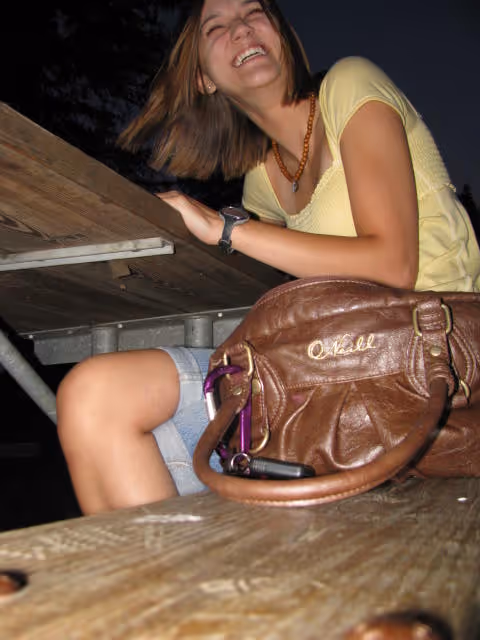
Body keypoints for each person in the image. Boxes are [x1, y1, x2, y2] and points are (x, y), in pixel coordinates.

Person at [57, 0, 480, 514]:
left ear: (282, 35)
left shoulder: (350, 85)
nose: (240, 28)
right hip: (327, 369)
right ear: (203, 79)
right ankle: (177, 569)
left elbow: (393, 266)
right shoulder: (262, 173)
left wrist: (225, 228)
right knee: (94, 395)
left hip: (431, 364)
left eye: (253, 11)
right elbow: (266, 265)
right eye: (217, 26)